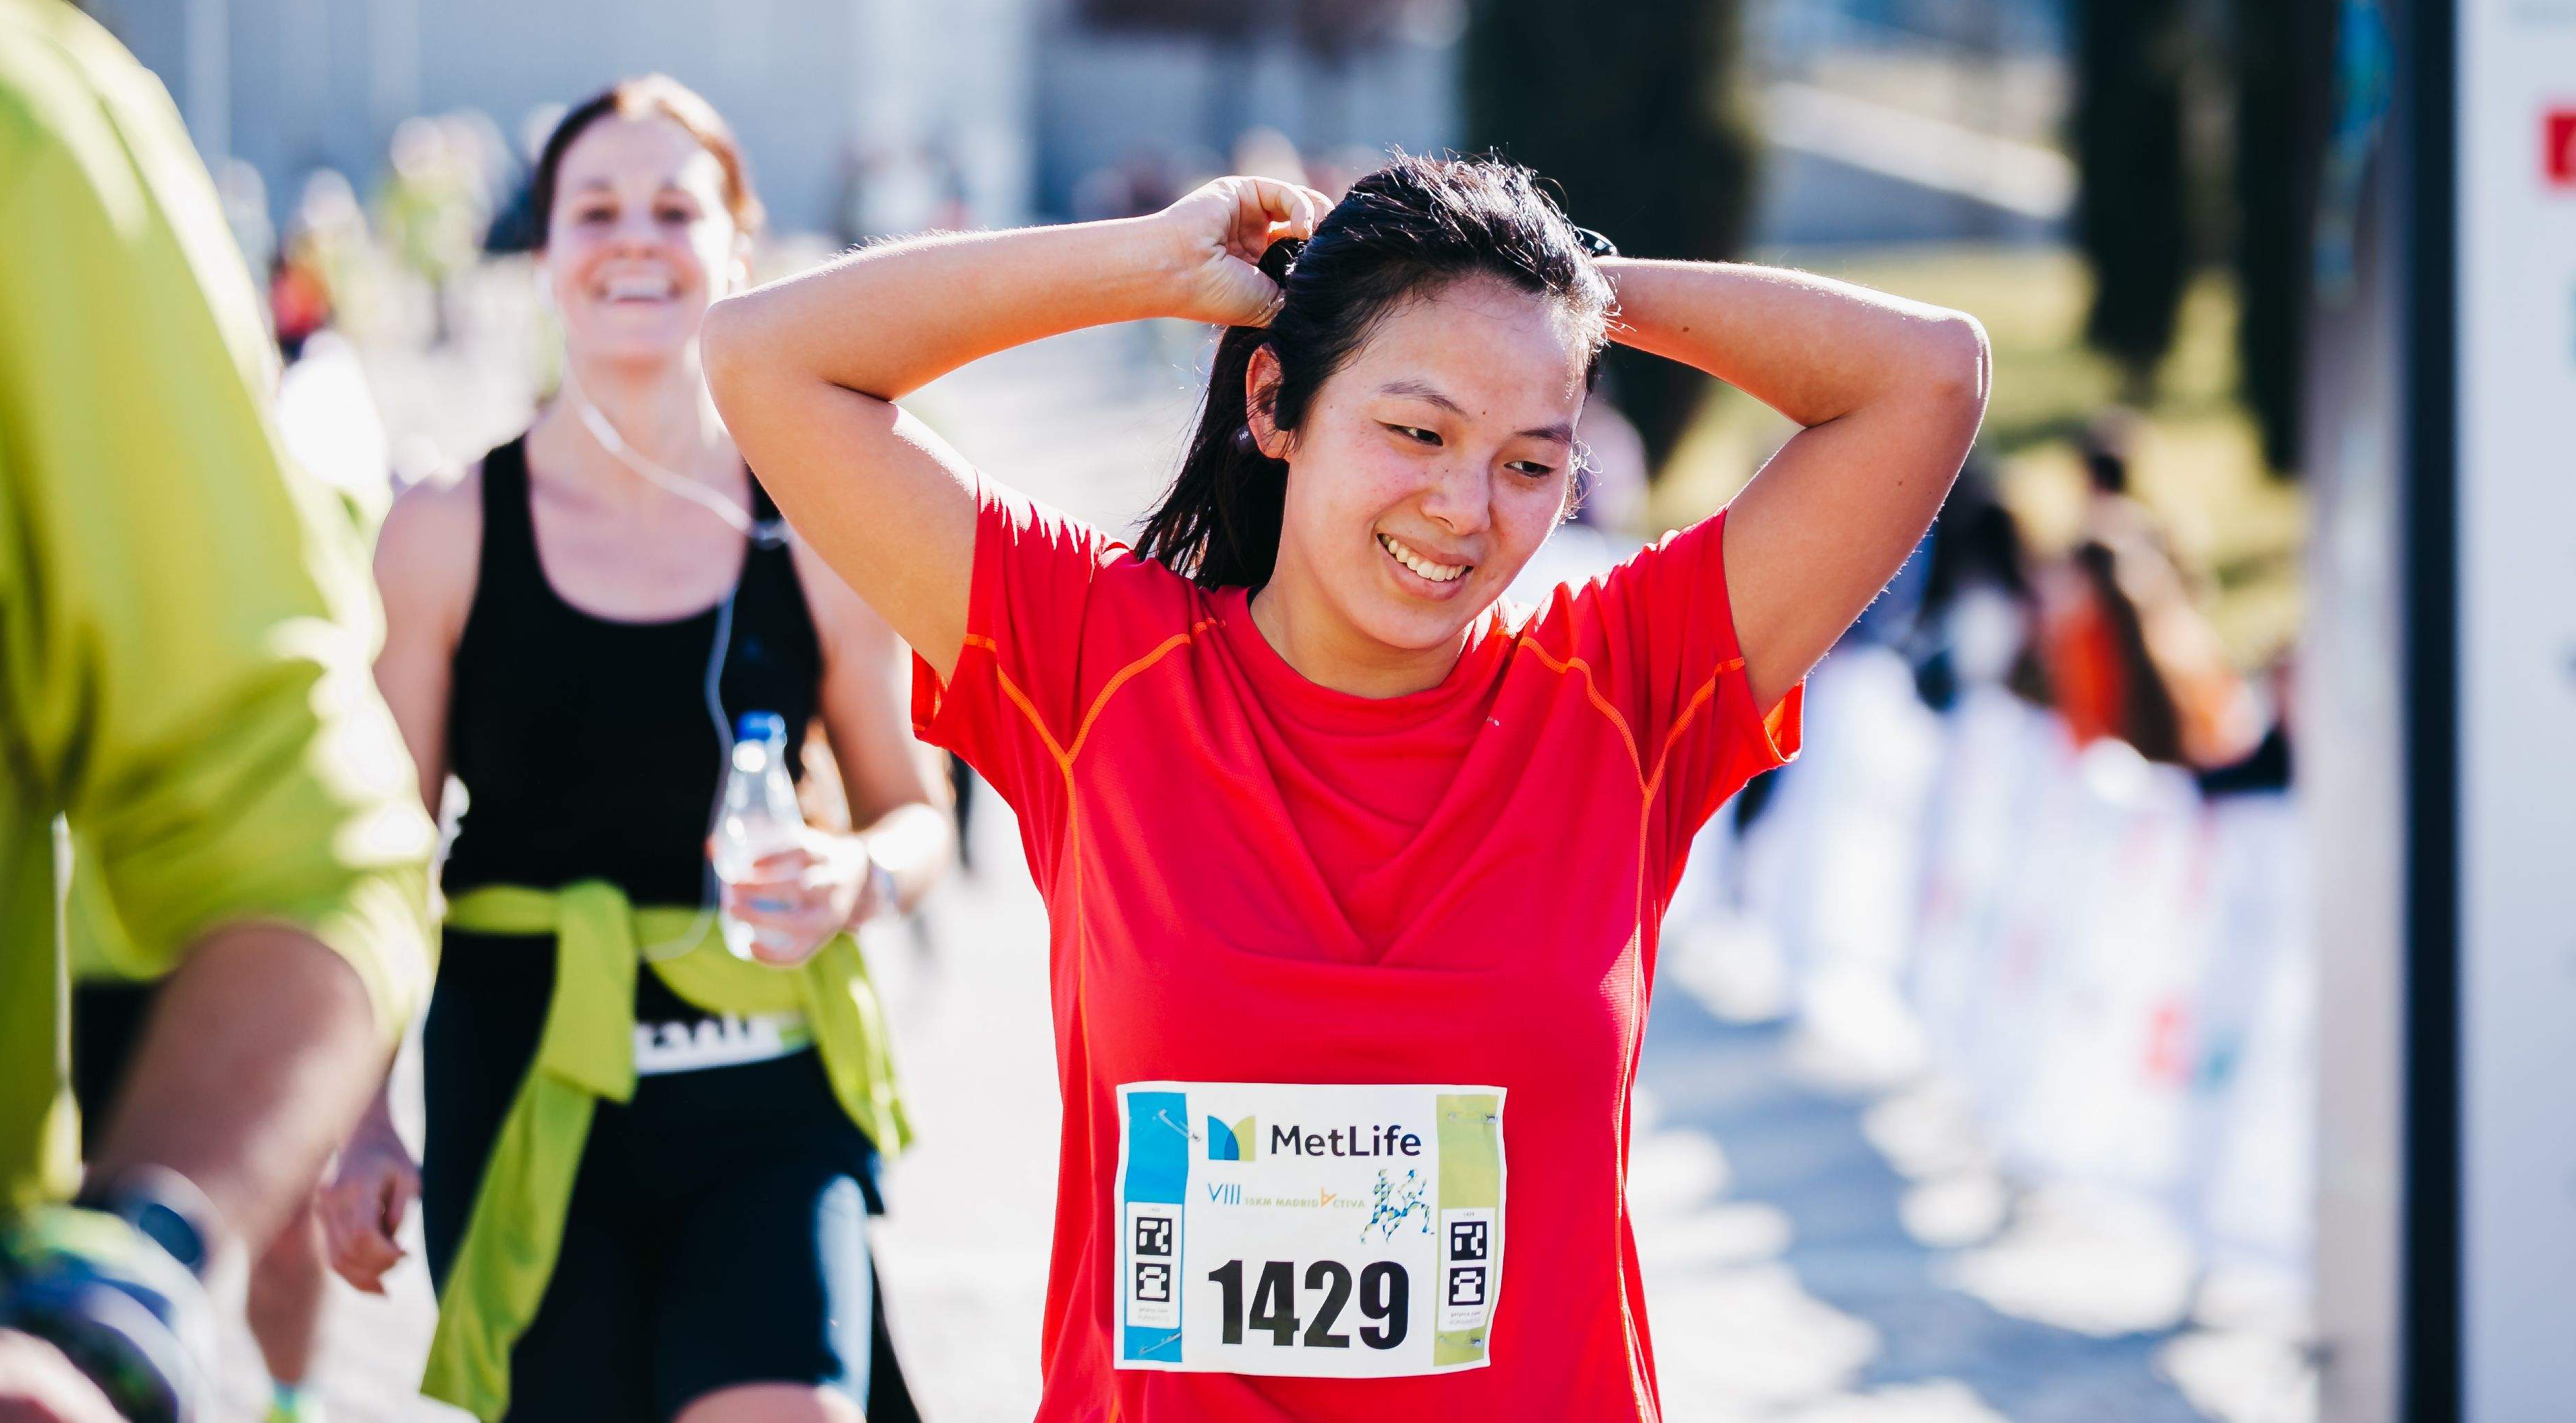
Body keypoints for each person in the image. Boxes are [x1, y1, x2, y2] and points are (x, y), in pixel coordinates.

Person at [703, 154, 1987, 1417]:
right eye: (1417, 430)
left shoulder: (1622, 693)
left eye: (1529, 461)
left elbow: (1927, 374)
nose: (1463, 507)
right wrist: (1147, 265)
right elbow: (766, 356)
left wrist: (1558, 295)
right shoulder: (1094, 660)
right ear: (1275, 404)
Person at [318, 77, 951, 1423]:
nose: (634, 240)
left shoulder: (820, 524)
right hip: (526, 1092)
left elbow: (918, 818)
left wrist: (854, 877)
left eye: (675, 208)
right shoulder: (442, 529)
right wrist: (359, 1115)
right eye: (595, 210)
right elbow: (375, 859)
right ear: (543, 250)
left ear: (737, 247)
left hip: (766, 1097)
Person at [0, 0, 435, 1419]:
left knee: (275, 1262)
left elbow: (310, 844)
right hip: (102, 949)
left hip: (134, 966)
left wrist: (111, 1294)